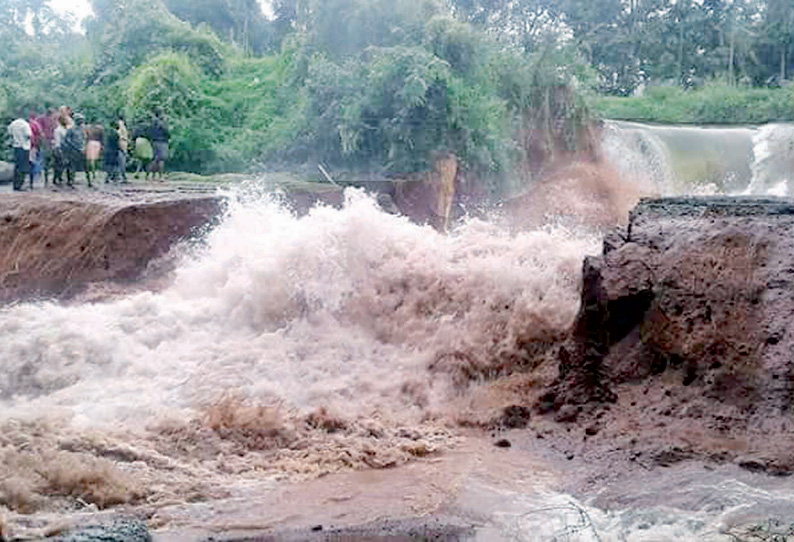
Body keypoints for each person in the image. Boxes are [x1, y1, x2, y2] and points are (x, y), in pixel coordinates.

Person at [7, 111, 32, 191]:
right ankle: (21, 185)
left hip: (16, 146)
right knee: (23, 167)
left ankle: (16, 185)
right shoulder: (25, 124)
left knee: (17, 166)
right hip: (24, 147)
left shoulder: (13, 124)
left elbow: (10, 133)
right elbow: (28, 135)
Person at [62, 113, 85, 188]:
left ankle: (72, 180)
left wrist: (83, 147)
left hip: (80, 149)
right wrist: (74, 146)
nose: (81, 121)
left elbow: (83, 139)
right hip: (72, 150)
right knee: (72, 166)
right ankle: (71, 181)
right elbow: (66, 140)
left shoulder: (82, 129)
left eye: (82, 120)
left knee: (79, 166)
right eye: (80, 120)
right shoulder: (71, 129)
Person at [149, 108, 169, 180]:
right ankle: (161, 176)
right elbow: (166, 132)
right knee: (161, 159)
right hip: (162, 141)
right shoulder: (161, 123)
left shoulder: (152, 122)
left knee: (155, 159)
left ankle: (152, 176)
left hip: (154, 141)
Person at [84, 123, 104, 188]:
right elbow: (102, 137)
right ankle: (94, 172)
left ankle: (92, 172)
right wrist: (102, 145)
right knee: (95, 159)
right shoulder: (100, 128)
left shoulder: (88, 127)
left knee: (90, 159)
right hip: (97, 143)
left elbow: (86, 137)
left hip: (91, 143)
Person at [52, 114, 69, 186]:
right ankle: (56, 179)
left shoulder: (66, 129)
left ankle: (60, 178)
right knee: (59, 164)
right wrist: (59, 150)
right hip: (59, 148)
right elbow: (57, 141)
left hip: (65, 148)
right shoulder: (58, 130)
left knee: (63, 165)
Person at [28, 111, 43, 188]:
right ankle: (33, 181)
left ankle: (31, 181)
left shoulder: (28, 124)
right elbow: (40, 135)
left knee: (30, 162)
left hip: (27, 146)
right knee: (33, 162)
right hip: (33, 146)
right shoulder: (35, 124)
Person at [117, 116, 129, 183]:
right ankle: (122, 176)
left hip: (122, 143)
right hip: (123, 143)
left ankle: (122, 176)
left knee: (121, 161)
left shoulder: (121, 125)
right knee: (121, 161)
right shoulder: (123, 126)